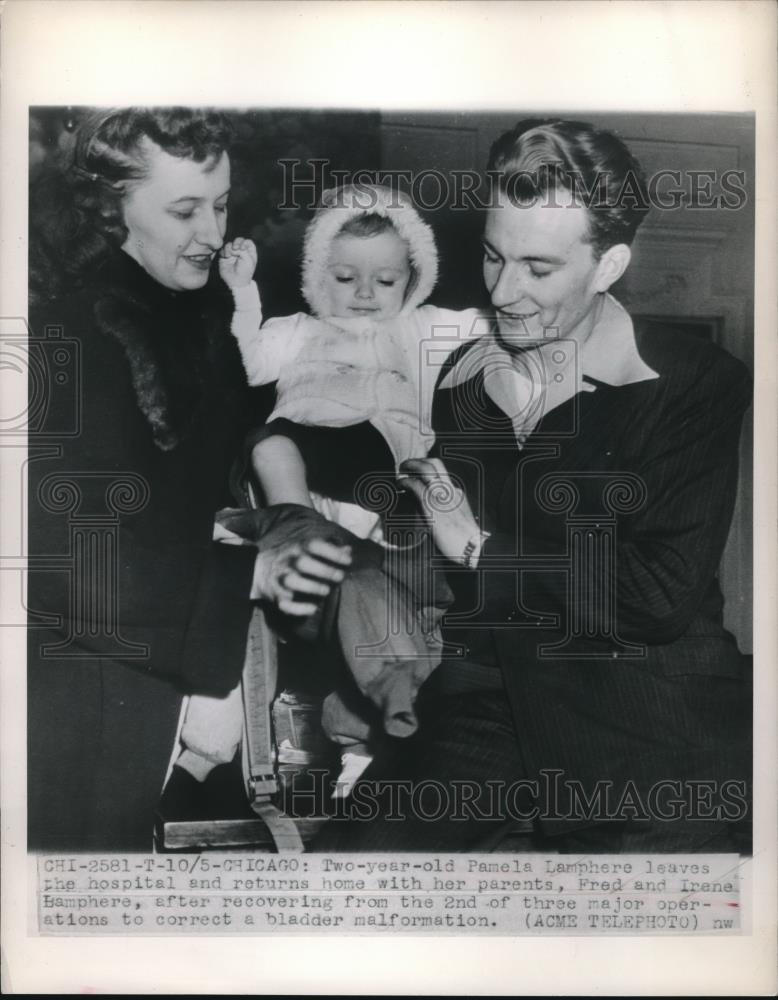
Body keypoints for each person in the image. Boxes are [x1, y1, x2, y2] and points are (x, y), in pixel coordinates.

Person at [299, 118, 752, 852]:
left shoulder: (695, 384)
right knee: (341, 884)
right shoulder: (465, 378)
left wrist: (480, 548)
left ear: (607, 266)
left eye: (538, 269)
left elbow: (658, 595)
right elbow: (454, 582)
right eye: (491, 256)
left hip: (647, 742)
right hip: (489, 717)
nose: (504, 292)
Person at [179, 184, 485, 793]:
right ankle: (293, 522)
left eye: (386, 280)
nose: (366, 295)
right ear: (320, 278)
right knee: (270, 440)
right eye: (346, 278)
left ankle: (369, 730)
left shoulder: (422, 331)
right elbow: (253, 361)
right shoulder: (297, 330)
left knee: (385, 582)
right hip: (302, 470)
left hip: (383, 492)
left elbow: (491, 326)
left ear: (413, 280)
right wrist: (243, 289)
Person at [26, 106, 269, 850]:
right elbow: (79, 563)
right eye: (185, 210)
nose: (213, 233)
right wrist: (248, 577)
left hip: (160, 659)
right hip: (86, 682)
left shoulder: (197, 315)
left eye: (222, 205)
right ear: (111, 209)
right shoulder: (71, 330)